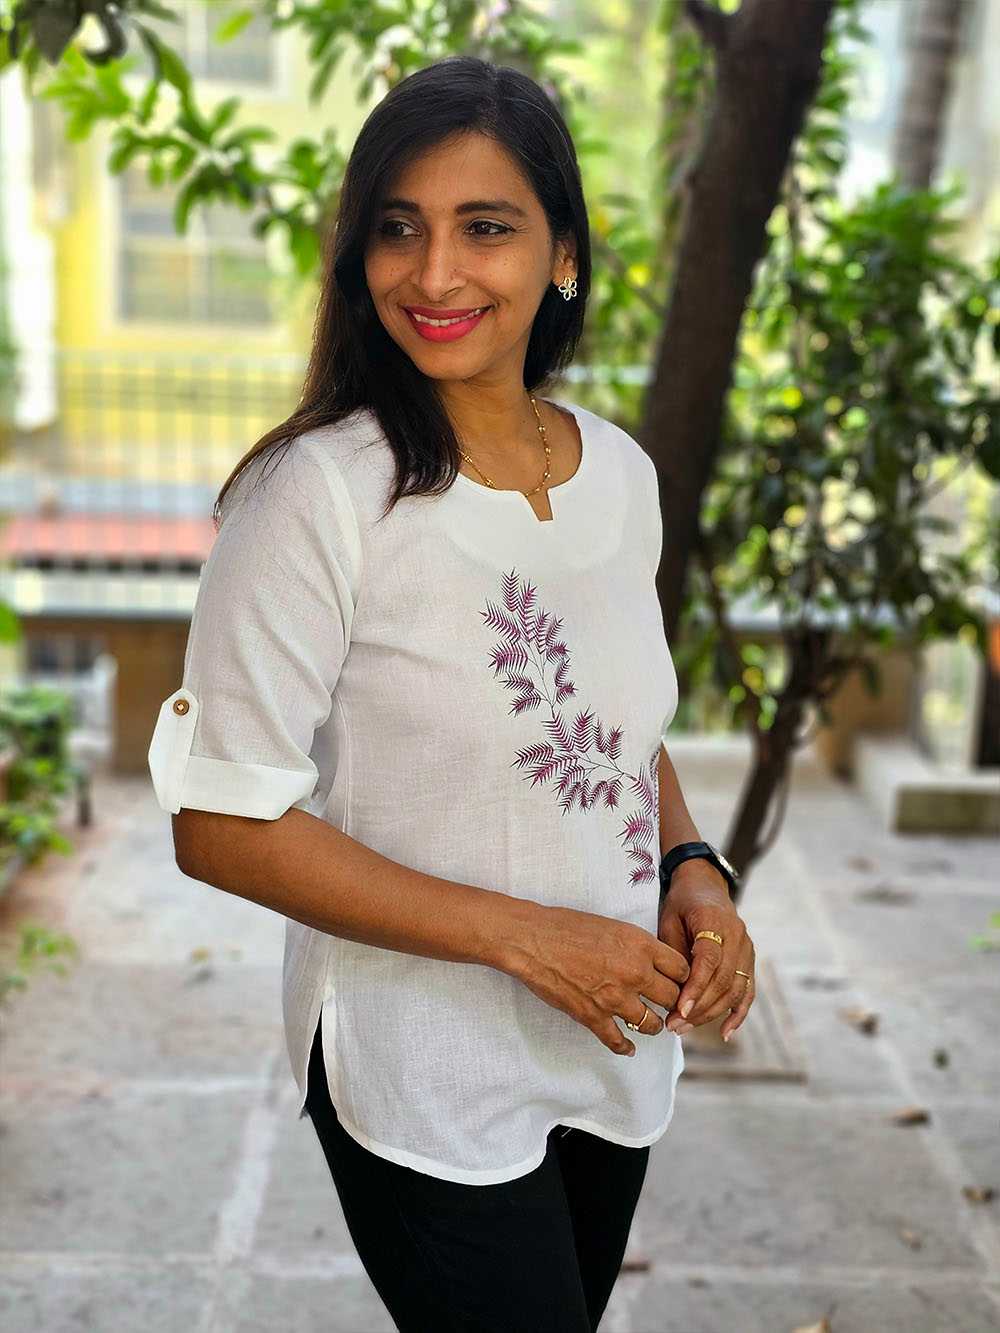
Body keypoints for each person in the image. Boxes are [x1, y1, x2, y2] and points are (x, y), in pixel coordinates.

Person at [147, 54, 755, 1332]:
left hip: (611, 1040)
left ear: (563, 254)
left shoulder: (621, 474)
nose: (433, 275)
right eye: (398, 228)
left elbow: (617, 726)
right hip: (419, 1062)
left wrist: (691, 864)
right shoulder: (318, 495)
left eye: (486, 228)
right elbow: (218, 822)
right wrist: (525, 937)